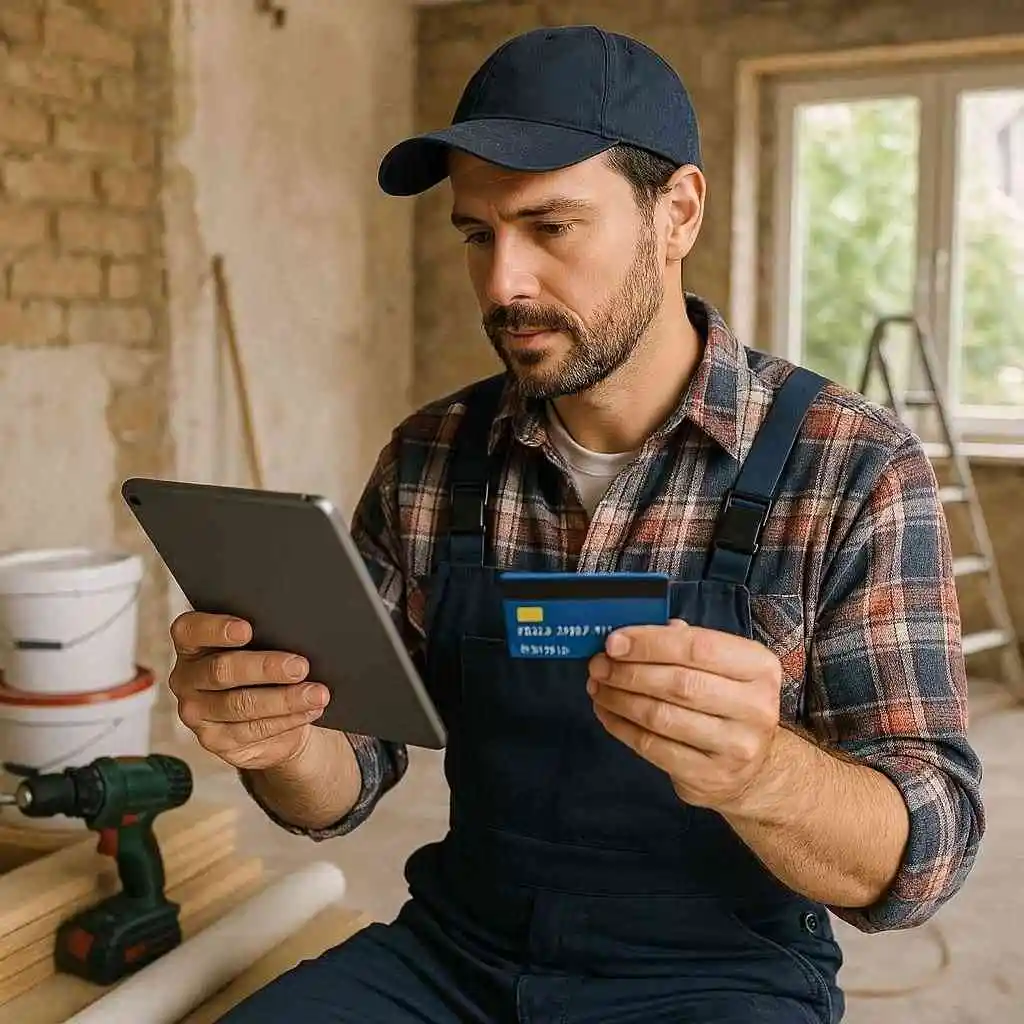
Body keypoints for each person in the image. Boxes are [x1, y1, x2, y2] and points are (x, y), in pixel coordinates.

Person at [168, 26, 984, 1024]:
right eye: (478, 234)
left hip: (716, 983)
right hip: (454, 960)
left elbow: (926, 853)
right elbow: (346, 785)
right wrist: (278, 738)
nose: (503, 283)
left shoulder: (849, 466)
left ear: (675, 212)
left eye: (551, 227)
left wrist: (764, 769)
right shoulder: (431, 460)